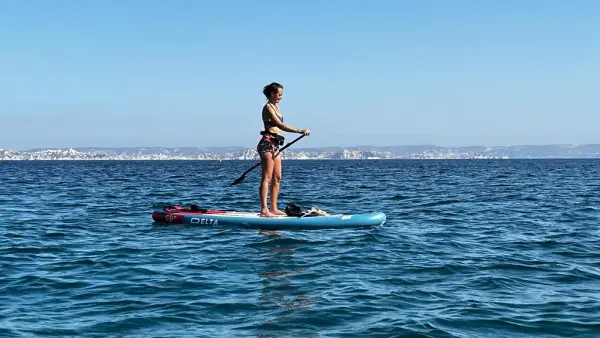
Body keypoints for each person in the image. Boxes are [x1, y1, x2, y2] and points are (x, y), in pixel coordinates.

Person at [257, 82, 310, 217]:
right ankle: (264, 210)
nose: (281, 97)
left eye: (282, 95)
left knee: (277, 177)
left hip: (275, 145)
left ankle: (273, 208)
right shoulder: (268, 107)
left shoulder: (277, 107)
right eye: (279, 94)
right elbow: (280, 125)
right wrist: (300, 130)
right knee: (267, 177)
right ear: (272, 94)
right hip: (267, 145)